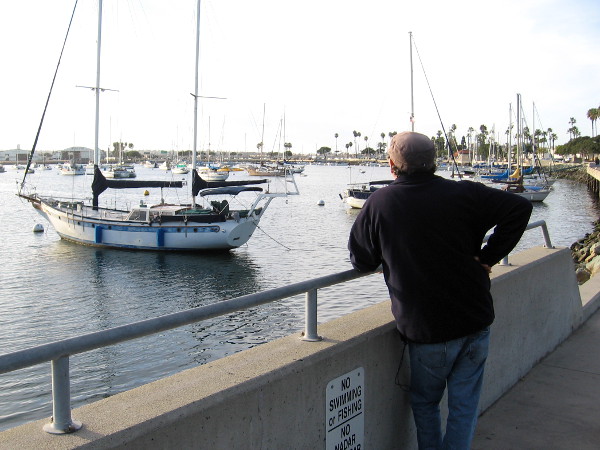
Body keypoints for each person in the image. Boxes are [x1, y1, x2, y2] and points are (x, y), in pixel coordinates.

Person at [348, 131, 533, 449]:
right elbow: (519, 209)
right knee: (464, 407)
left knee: (425, 403)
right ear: (434, 163)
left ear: (392, 165)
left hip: (427, 329)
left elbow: (362, 260)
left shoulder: (380, 203)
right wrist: (487, 258)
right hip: (475, 320)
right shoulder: (466, 193)